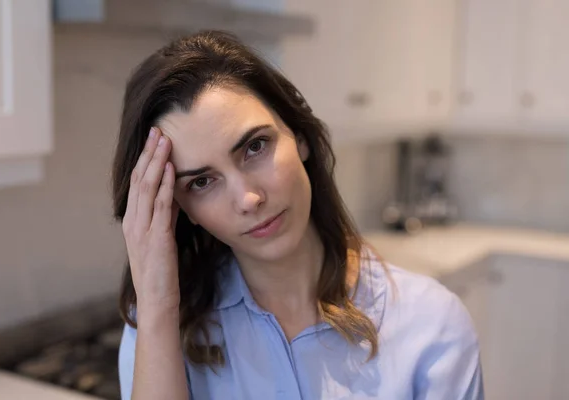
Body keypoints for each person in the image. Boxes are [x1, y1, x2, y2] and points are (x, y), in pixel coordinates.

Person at [111, 30, 483, 400]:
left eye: (255, 146)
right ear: (180, 209)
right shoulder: (158, 330)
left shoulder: (432, 325)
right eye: (203, 182)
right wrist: (157, 311)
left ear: (300, 136)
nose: (248, 198)